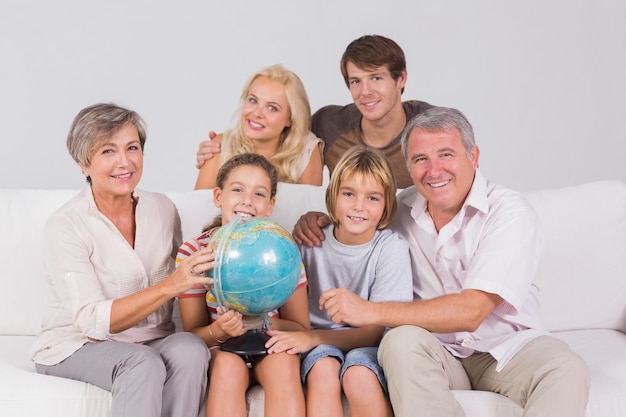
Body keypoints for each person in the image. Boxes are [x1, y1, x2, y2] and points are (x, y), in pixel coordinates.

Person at [292, 106, 590, 417]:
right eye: (421, 159)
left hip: (506, 351)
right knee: (400, 341)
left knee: (566, 368)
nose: (434, 170)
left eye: (446, 155)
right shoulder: (401, 208)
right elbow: (359, 213)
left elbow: (472, 311)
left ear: (473, 156)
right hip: (437, 353)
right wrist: (316, 220)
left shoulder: (510, 213)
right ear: (408, 166)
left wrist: (370, 310)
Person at [28, 103, 214, 417]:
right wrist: (168, 287)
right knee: (140, 362)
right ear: (83, 164)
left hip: (152, 338)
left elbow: (185, 277)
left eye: (132, 148)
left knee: (191, 350)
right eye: (108, 151)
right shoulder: (66, 225)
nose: (124, 162)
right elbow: (91, 321)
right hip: (77, 344)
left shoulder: (162, 208)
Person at [266, 146, 413, 417]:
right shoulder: (310, 241)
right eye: (348, 194)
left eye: (372, 198)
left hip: (368, 345)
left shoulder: (390, 248)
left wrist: (311, 338)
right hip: (316, 344)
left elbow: (374, 332)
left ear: (386, 204)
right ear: (333, 196)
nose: (359, 206)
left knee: (359, 376)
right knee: (323, 370)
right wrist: (310, 339)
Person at [195, 34, 433, 188]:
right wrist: (216, 148)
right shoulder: (328, 124)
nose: (366, 91)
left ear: (401, 78)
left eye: (376, 78)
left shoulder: (432, 127)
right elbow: (275, 132)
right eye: (355, 81)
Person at [177, 153, 310, 417]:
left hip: (271, 344)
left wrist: (257, 323)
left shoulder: (283, 251)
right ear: (218, 197)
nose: (247, 200)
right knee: (227, 369)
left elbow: (300, 328)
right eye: (237, 189)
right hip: (221, 347)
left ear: (270, 205)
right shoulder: (195, 253)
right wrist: (220, 330)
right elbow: (192, 335)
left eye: (259, 194)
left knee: (283, 366)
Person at [194, 64, 324, 190]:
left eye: (272, 108)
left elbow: (310, 210)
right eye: (253, 100)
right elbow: (199, 209)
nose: (257, 113)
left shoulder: (306, 150)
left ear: (290, 119)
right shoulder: (220, 146)